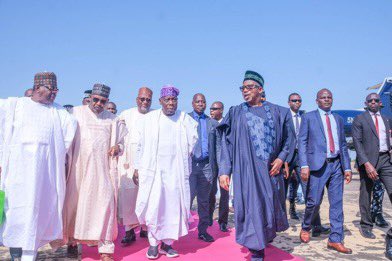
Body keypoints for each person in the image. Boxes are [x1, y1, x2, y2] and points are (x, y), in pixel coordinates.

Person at [0, 72, 77, 261]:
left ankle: (28, 256)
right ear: (36, 89)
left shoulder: (60, 113)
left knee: (38, 216)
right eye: (51, 90)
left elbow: (70, 135)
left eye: (56, 90)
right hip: (18, 176)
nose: (54, 94)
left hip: (45, 179)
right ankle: (17, 254)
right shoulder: (15, 106)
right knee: (17, 215)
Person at [218, 70, 290, 261]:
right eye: (243, 88)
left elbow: (290, 139)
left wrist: (282, 158)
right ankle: (256, 252)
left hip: (270, 172)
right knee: (252, 209)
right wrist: (225, 170)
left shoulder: (279, 112)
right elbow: (225, 142)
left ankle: (264, 238)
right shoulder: (236, 112)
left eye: (249, 87)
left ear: (260, 89)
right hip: (246, 172)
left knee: (269, 208)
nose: (245, 91)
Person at [63, 83, 127, 261]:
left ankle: (106, 249)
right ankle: (72, 242)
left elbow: (122, 142)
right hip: (78, 171)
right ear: (90, 98)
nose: (99, 103)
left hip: (102, 172)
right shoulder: (75, 113)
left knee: (106, 207)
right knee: (75, 206)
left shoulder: (112, 119)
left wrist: (117, 146)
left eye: (103, 101)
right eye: (96, 99)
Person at [134, 85, 198, 259]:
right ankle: (153, 244)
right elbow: (139, 145)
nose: (171, 103)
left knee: (173, 209)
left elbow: (193, 142)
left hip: (176, 173)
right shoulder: (150, 119)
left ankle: (168, 244)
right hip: (154, 173)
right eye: (167, 100)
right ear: (161, 101)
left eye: (174, 100)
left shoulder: (184, 119)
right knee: (155, 207)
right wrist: (137, 167)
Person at [298, 88, 352, 254]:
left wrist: (347, 166)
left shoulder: (338, 118)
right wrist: (304, 165)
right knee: (313, 201)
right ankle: (306, 226)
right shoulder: (308, 117)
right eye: (323, 97)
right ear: (317, 100)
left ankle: (335, 239)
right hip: (317, 166)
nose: (327, 100)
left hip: (336, 165)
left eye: (329, 97)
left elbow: (343, 144)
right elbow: (302, 142)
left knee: (336, 203)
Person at [352, 93, 392, 259]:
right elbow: (357, 143)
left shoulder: (386, 119)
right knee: (366, 193)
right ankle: (366, 224)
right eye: (370, 101)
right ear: (366, 103)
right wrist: (366, 163)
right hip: (368, 160)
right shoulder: (359, 119)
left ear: (380, 103)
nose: (373, 102)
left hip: (385, 159)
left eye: (376, 100)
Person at [117, 87, 152, 245]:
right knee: (129, 198)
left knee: (146, 197)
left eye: (148, 99)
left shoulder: (155, 116)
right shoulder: (125, 115)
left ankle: (145, 228)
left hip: (147, 164)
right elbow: (118, 138)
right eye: (142, 99)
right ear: (136, 99)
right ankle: (129, 232)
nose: (145, 102)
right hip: (129, 164)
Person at [189, 94, 220, 241]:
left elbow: (218, 146)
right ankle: (178, 229)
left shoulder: (212, 122)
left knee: (204, 200)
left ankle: (202, 230)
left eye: (203, 101)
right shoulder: (184, 120)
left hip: (206, 165)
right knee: (186, 199)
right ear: (192, 103)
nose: (200, 104)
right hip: (189, 165)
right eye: (198, 101)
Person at [208, 101, 229, 232]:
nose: (211, 111)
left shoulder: (227, 124)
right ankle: (209, 217)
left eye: (214, 109)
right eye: (210, 108)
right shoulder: (209, 124)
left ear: (221, 110)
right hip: (212, 163)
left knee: (225, 194)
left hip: (225, 164)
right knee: (210, 192)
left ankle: (223, 221)